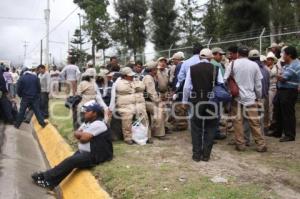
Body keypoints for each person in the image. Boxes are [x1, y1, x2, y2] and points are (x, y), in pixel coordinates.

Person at [31, 100, 113, 190]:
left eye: (87, 111)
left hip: (96, 156)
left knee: (70, 161)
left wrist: (82, 136)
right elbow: (76, 133)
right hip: (86, 152)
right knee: (67, 162)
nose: (84, 113)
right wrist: (82, 135)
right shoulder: (88, 122)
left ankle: (47, 179)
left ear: (94, 113)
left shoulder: (99, 124)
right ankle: (48, 179)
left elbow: (83, 139)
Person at [224, 46, 267, 152]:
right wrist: (258, 96)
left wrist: (230, 89)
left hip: (237, 97)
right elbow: (258, 85)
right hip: (251, 98)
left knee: (237, 121)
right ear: (248, 54)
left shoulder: (232, 64)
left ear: (238, 54)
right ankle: (260, 144)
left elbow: (225, 79)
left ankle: (240, 144)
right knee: (254, 122)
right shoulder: (254, 65)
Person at [182, 48, 219, 162]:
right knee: (210, 127)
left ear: (199, 57)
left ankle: (196, 155)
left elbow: (187, 87)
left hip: (196, 101)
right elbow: (220, 84)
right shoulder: (215, 69)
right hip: (211, 101)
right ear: (210, 58)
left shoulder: (192, 69)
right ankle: (206, 155)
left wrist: (184, 101)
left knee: (196, 128)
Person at [110, 67, 149, 145]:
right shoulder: (119, 82)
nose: (131, 76)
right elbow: (124, 89)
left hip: (137, 104)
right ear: (124, 75)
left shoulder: (134, 80)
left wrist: (135, 87)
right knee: (127, 118)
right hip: (125, 105)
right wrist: (136, 88)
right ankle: (128, 138)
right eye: (129, 75)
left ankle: (146, 135)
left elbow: (142, 86)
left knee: (144, 116)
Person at [271, 46, 300, 142]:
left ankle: (289, 135)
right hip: (282, 90)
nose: (282, 56)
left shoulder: (295, 65)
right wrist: (279, 75)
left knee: (288, 113)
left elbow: (283, 78)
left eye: (284, 54)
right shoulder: (287, 64)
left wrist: (276, 75)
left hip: (289, 91)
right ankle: (277, 131)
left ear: (289, 55)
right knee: (278, 111)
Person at [14, 63, 47, 129]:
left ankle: (17, 125)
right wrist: (37, 95)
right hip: (34, 98)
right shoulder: (35, 77)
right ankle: (42, 123)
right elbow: (39, 88)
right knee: (37, 111)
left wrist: (20, 95)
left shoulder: (22, 78)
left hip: (25, 98)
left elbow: (18, 89)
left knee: (22, 111)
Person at [248, 50, 270, 134]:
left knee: (249, 119)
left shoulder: (251, 69)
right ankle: (261, 136)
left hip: (254, 97)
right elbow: (267, 84)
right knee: (260, 118)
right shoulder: (265, 69)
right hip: (263, 97)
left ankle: (248, 139)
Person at [143, 61, 166, 140]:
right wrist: (158, 102)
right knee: (159, 111)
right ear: (152, 70)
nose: (157, 71)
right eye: (156, 69)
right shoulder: (148, 78)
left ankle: (159, 130)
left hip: (149, 100)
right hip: (146, 101)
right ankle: (159, 133)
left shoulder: (150, 77)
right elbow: (151, 92)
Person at [211, 47, 227, 140]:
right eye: (220, 54)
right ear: (214, 54)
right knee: (216, 113)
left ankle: (213, 131)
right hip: (217, 92)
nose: (221, 56)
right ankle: (215, 132)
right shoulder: (217, 65)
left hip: (211, 92)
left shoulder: (212, 63)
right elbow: (221, 81)